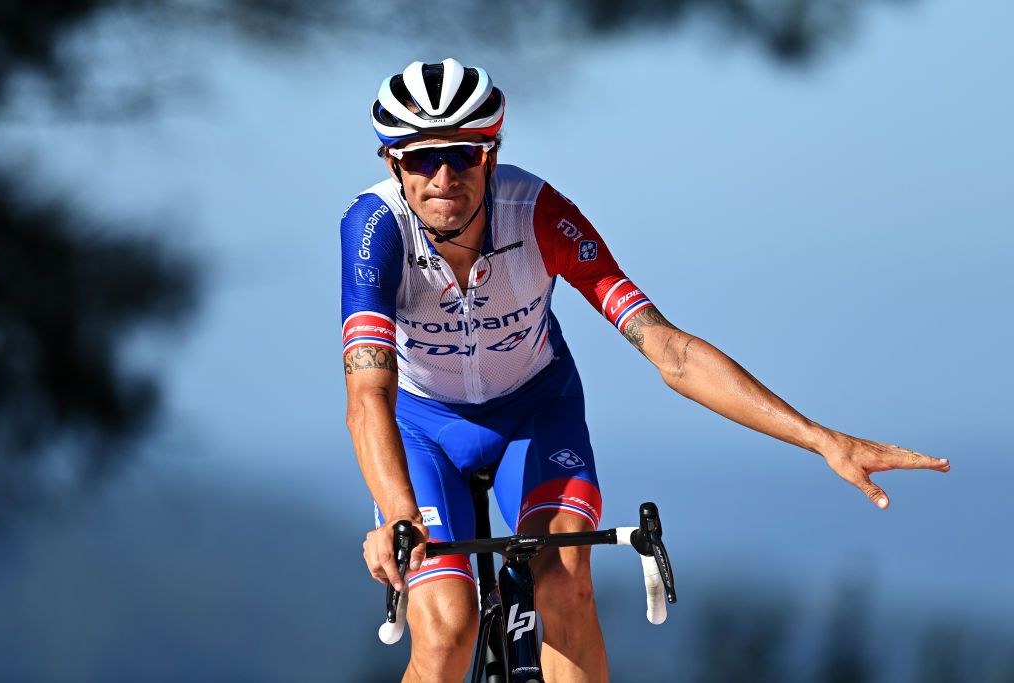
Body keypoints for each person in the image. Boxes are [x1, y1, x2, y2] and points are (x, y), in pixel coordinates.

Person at [340, 58, 949, 683]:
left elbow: (671, 352)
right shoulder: (373, 230)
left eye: (463, 155)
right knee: (444, 630)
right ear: (393, 164)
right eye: (421, 159)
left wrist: (824, 439)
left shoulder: (539, 214)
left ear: (491, 154)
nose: (443, 177)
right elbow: (368, 391)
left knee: (566, 589)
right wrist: (397, 511)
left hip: (533, 414)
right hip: (422, 429)